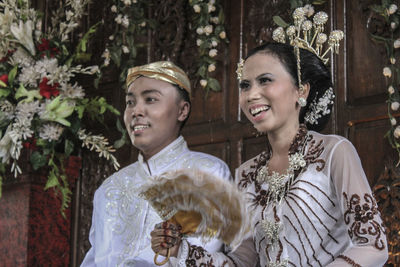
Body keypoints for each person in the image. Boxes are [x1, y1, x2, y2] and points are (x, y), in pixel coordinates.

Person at [150, 42, 389, 267]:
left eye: (265, 80)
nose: (252, 94)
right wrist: (181, 250)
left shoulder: (334, 152)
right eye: (245, 85)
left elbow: (372, 247)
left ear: (300, 90)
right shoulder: (246, 173)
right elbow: (244, 259)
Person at [81, 61, 232, 267]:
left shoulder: (207, 174)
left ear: (182, 111)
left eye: (150, 99)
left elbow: (205, 257)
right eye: (130, 102)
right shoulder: (109, 189)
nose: (136, 111)